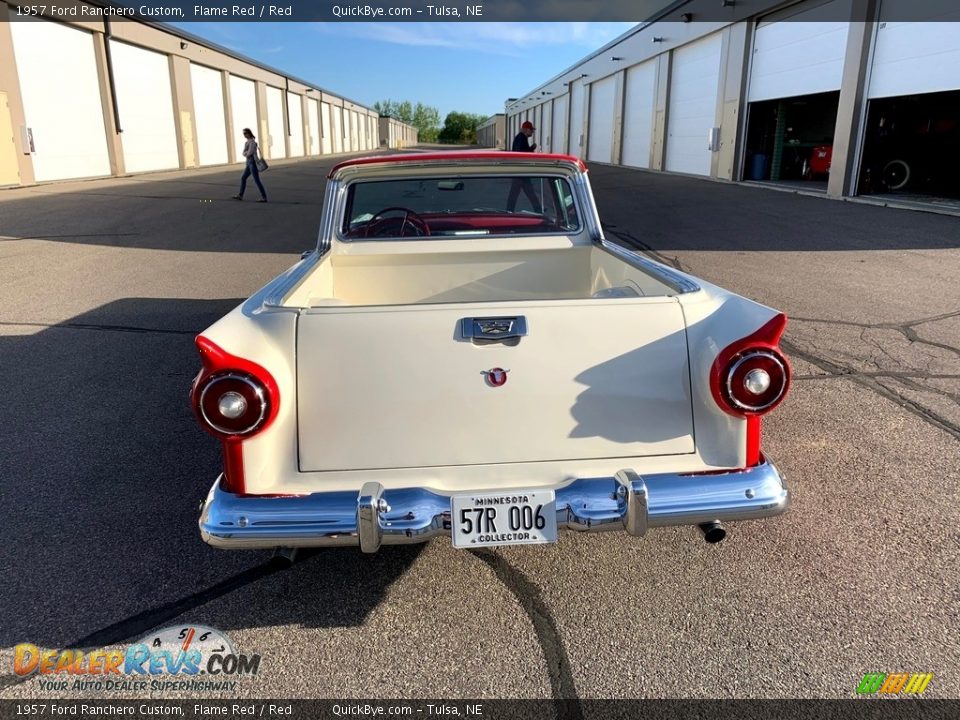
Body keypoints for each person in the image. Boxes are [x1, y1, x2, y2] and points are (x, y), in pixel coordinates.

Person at [507, 121, 541, 212]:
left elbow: (522, 151)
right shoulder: (521, 138)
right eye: (531, 130)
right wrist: (532, 148)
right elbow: (521, 154)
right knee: (524, 192)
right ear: (526, 129)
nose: (532, 132)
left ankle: (509, 210)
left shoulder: (521, 138)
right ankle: (538, 210)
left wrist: (530, 149)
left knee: (525, 192)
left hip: (520, 170)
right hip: (520, 171)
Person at [233, 128, 267, 202]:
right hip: (249, 163)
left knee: (257, 180)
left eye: (245, 133)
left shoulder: (252, 142)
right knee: (243, 178)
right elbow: (244, 153)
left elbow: (249, 153)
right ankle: (240, 195)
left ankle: (264, 197)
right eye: (244, 134)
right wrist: (246, 153)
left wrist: (246, 153)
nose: (244, 135)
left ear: (249, 133)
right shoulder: (247, 142)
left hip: (252, 163)